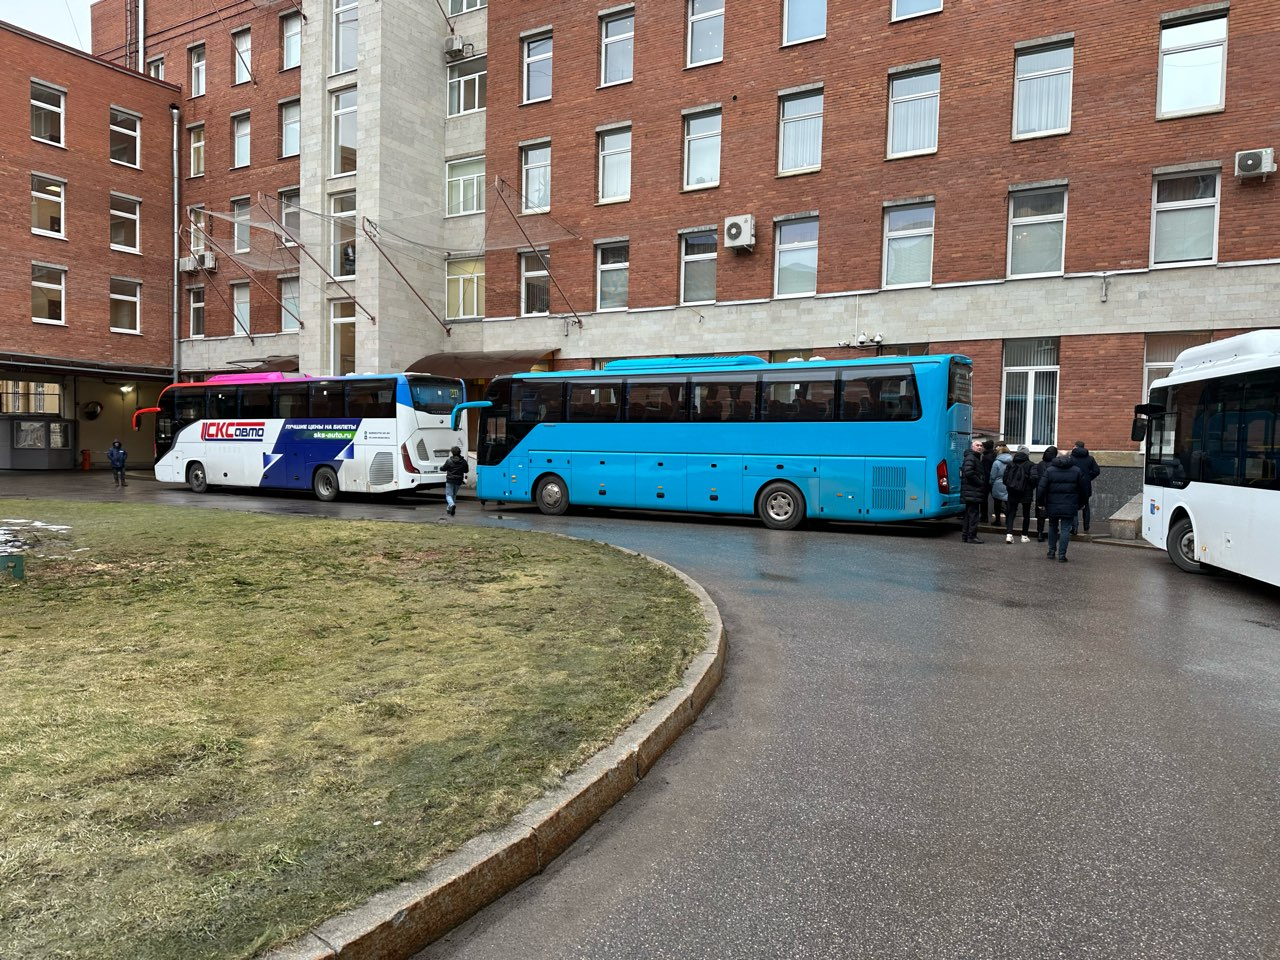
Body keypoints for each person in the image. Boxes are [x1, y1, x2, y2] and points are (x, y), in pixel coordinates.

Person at [1037, 447, 1087, 562]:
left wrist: (1040, 503)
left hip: (1052, 504)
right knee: (1065, 529)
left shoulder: (1050, 470)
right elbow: (1083, 489)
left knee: (1052, 527)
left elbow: (1041, 488)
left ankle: (1051, 551)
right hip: (1069, 504)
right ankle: (1062, 555)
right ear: (1070, 457)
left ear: (1057, 457)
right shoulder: (1077, 470)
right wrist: (1081, 504)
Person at [1001, 445, 1035, 543]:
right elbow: (1034, 479)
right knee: (1026, 514)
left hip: (1012, 492)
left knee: (1011, 513)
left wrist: (1011, 487)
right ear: (1027, 454)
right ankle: (1024, 536)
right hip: (1026, 493)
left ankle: (1009, 534)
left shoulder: (1010, 464)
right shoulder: (1031, 464)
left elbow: (1005, 479)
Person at [1069, 440, 1102, 533]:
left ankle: (1074, 528)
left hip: (1073, 485)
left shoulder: (1071, 458)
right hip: (1085, 485)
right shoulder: (1090, 458)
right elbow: (1096, 471)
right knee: (1086, 506)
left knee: (1073, 506)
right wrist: (1088, 478)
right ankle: (1086, 527)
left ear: (1075, 446)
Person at [960, 439, 986, 543]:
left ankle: (966, 536)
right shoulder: (971, 458)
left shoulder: (974, 457)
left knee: (968, 514)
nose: (980, 447)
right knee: (974, 515)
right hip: (972, 491)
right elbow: (969, 472)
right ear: (972, 447)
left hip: (971, 491)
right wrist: (979, 482)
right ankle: (971, 536)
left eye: (981, 445)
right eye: (977, 445)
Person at [1030, 446, 1058, 542]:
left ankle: (1040, 533)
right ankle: (1053, 533)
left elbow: (1034, 477)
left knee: (1041, 515)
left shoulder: (1040, 464)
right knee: (1053, 515)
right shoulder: (1055, 465)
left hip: (1041, 491)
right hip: (1053, 492)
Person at [989, 443, 1012, 527]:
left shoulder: (996, 462)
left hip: (998, 484)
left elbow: (992, 475)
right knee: (1008, 503)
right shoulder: (1012, 461)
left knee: (997, 504)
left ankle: (998, 520)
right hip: (1008, 484)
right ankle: (1009, 521)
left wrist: (991, 483)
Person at [442, 446, 468, 516]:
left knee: (448, 495)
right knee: (454, 494)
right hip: (459, 480)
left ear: (452, 453)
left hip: (450, 480)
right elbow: (466, 470)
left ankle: (452, 504)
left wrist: (441, 468)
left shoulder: (449, 461)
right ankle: (449, 508)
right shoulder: (463, 461)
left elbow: (443, 468)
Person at [979, 439, 995, 523]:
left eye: (982, 447)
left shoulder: (986, 457)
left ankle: (984, 517)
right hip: (993, 480)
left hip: (986, 481)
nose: (981, 448)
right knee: (996, 498)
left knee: (984, 499)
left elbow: (985, 471)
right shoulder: (994, 455)